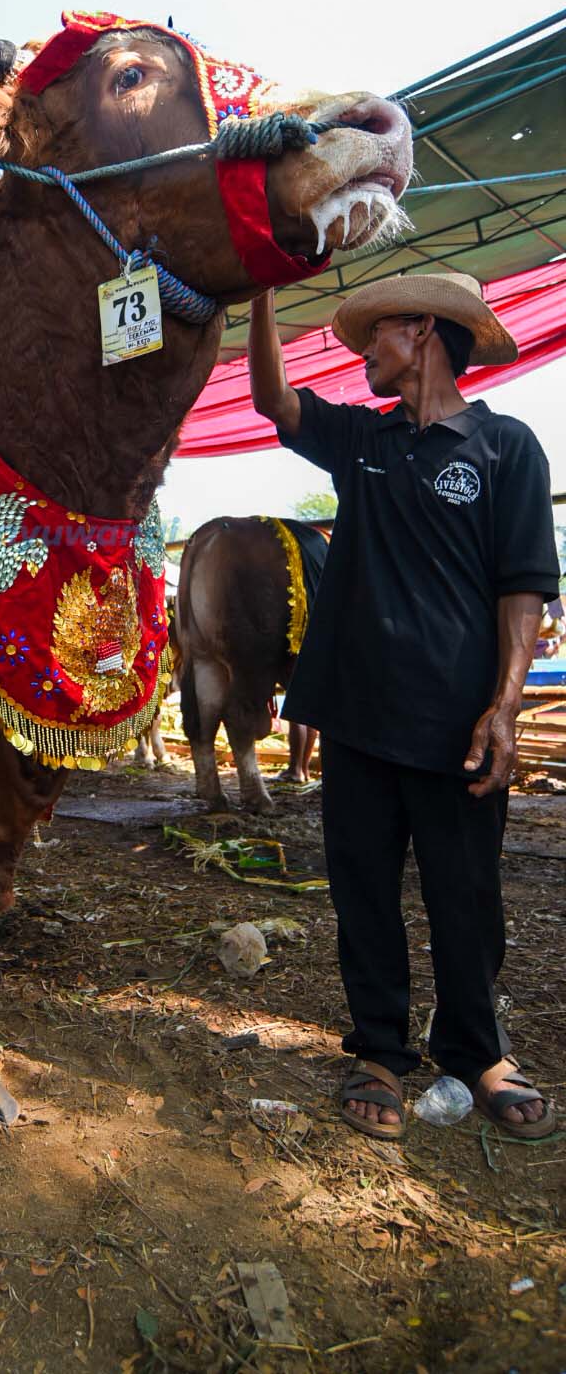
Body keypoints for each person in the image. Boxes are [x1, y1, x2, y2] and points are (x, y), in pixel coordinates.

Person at [248, 271, 559, 1141]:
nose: (362, 353)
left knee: (468, 895)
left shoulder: (505, 447)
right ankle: (379, 1047)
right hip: (357, 718)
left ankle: (478, 1049)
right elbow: (273, 396)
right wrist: (262, 285)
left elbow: (524, 587)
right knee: (364, 893)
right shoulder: (362, 441)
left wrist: (502, 708)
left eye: (375, 336)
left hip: (456, 725)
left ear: (420, 332)